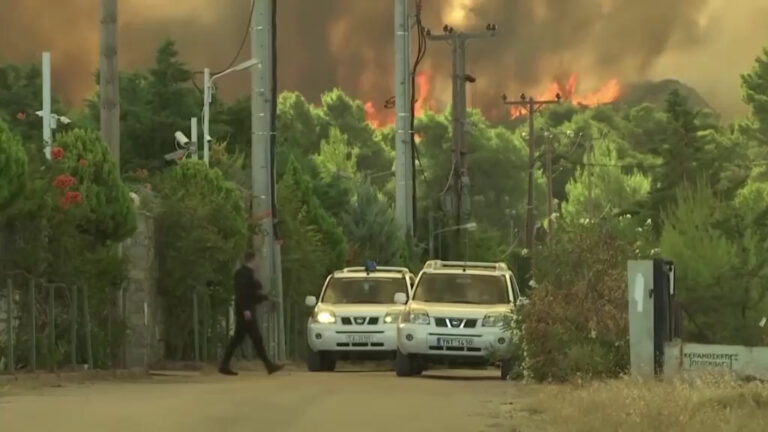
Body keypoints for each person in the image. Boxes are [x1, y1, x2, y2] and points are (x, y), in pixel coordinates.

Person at [219, 251, 284, 376]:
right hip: (246, 312)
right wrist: (245, 309)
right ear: (253, 260)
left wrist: (264, 297)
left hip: (247, 310)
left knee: (238, 340)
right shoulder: (242, 274)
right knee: (256, 339)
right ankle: (269, 365)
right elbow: (242, 293)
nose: (259, 263)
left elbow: (251, 293)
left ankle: (224, 364)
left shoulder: (247, 274)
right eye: (257, 260)